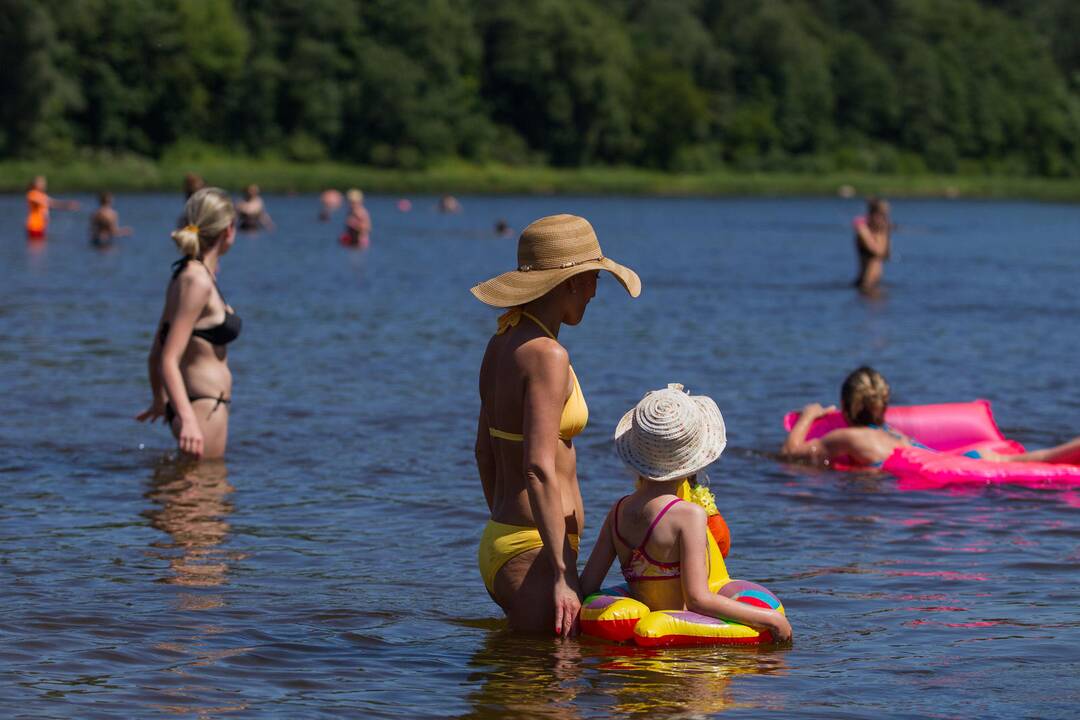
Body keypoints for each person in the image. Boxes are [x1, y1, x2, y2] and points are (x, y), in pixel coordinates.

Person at [472, 214, 641, 637]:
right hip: (535, 549)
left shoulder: (502, 342)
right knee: (552, 695)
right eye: (593, 280)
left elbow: (483, 450)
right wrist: (563, 572)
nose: (595, 293)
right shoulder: (548, 355)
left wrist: (504, 522)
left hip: (511, 538)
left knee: (527, 687)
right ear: (570, 283)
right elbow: (539, 467)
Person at [579, 384, 792, 643]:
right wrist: (772, 619)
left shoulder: (618, 511)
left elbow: (588, 585)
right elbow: (697, 599)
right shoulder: (688, 515)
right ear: (693, 459)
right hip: (678, 637)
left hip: (640, 632)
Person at [782, 366, 1080, 467]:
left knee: (1043, 459)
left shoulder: (845, 436)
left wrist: (809, 415)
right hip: (967, 458)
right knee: (1043, 457)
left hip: (949, 467)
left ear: (845, 407)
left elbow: (792, 454)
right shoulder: (890, 433)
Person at [137, 188, 241, 460]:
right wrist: (188, 419)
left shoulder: (189, 273)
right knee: (207, 494)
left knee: (189, 497)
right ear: (228, 230)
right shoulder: (196, 281)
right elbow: (169, 358)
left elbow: (157, 349)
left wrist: (160, 401)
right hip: (201, 409)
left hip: (198, 406)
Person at [853, 198, 891, 293]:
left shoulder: (881, 230)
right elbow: (877, 251)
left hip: (876, 282)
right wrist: (881, 232)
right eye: (882, 215)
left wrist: (884, 232)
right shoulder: (863, 229)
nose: (884, 218)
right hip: (866, 283)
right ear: (873, 214)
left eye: (885, 215)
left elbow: (886, 256)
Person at [25, 176, 79, 240]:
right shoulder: (32, 194)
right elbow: (51, 203)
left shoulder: (42, 195)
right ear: (34, 184)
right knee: (36, 247)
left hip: (41, 226)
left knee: (42, 246)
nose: (43, 184)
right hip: (34, 226)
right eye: (41, 183)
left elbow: (50, 204)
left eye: (44, 183)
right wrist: (67, 205)